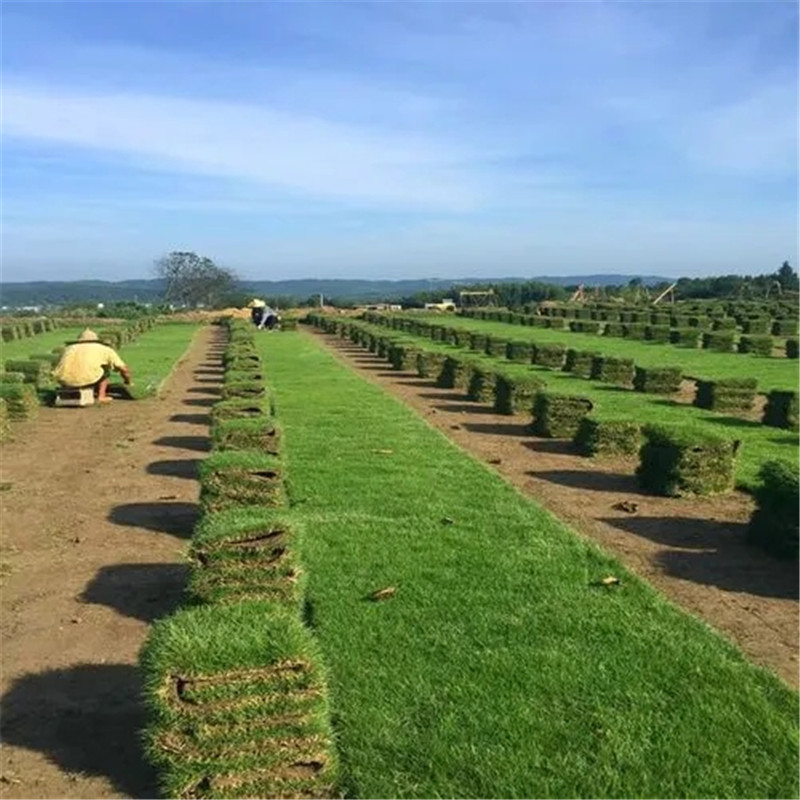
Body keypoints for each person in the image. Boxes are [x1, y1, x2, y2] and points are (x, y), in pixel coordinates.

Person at [52, 328, 133, 403]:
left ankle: (68, 391)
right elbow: (124, 369)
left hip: (64, 380)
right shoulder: (104, 349)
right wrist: (128, 382)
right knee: (105, 370)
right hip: (87, 379)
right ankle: (101, 396)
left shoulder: (68, 349)